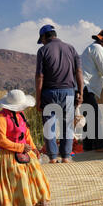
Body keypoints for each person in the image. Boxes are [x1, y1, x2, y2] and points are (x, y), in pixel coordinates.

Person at [0, 89, 51, 206]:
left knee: (37, 172)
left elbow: (26, 135)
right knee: (19, 174)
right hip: (5, 153)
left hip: (23, 151)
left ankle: (44, 204)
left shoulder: (20, 115)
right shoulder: (0, 118)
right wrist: (20, 147)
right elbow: (1, 140)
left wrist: (33, 148)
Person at [35, 24, 84, 163]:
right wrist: (80, 92)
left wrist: (38, 99)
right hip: (68, 92)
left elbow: (40, 76)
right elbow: (78, 72)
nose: (42, 42)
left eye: (42, 39)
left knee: (49, 125)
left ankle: (52, 158)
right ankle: (66, 157)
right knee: (67, 125)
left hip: (49, 92)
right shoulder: (71, 48)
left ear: (45, 36)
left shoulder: (43, 51)